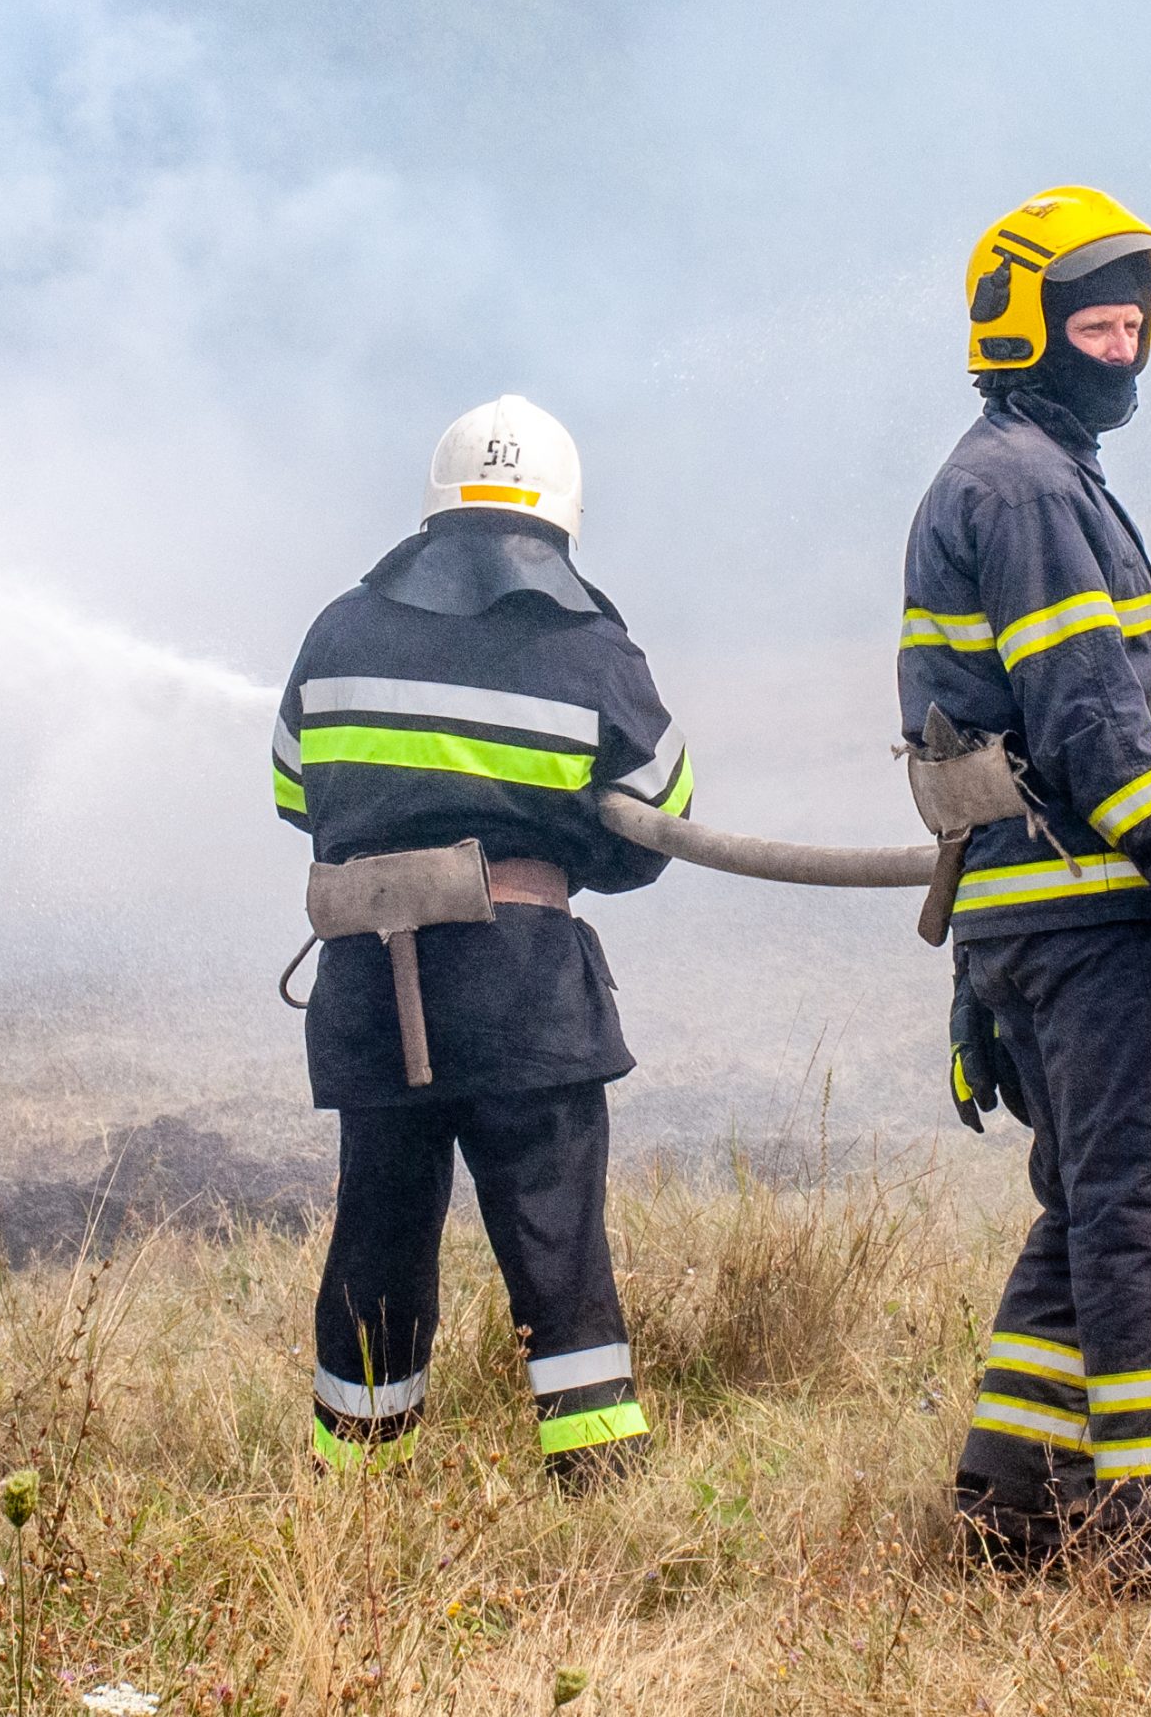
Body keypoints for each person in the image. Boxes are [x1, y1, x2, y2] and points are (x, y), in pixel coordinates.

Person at [899, 187, 1151, 1577]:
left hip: (1033, 912)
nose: (1122, 344)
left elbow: (1082, 717)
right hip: (1085, 910)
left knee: (1088, 1210)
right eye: (1095, 318)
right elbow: (1086, 724)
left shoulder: (1021, 477)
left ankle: (1016, 1508)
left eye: (1136, 323)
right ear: (1024, 326)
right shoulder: (1025, 489)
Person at [271, 394, 693, 1486]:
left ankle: (356, 1484)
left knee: (377, 1226)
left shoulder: (338, 630)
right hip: (518, 987)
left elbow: (291, 787)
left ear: (432, 512)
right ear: (559, 521)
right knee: (555, 1235)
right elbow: (660, 812)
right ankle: (597, 1479)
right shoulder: (590, 644)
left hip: (371, 979)